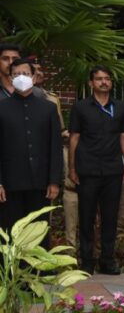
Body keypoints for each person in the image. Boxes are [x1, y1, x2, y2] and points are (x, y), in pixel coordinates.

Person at [69, 66, 124, 274]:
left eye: (107, 79)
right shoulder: (80, 107)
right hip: (87, 170)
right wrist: (72, 167)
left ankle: (107, 260)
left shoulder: (121, 107)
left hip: (113, 170)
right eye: (99, 79)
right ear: (91, 83)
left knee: (110, 218)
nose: (104, 82)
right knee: (86, 218)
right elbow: (74, 138)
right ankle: (87, 261)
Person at [0, 59, 63, 246]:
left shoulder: (49, 109)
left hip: (41, 183)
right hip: (10, 183)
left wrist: (54, 180)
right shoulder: (1, 108)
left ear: (34, 78)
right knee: (10, 231)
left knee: (39, 232)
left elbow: (55, 147)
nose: (22, 78)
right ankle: (11, 274)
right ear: (10, 78)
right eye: (16, 74)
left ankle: (39, 274)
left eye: (26, 74)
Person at [30, 61, 78, 247]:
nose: (41, 73)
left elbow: (58, 129)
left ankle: (65, 248)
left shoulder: (52, 98)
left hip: (51, 154)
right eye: (37, 70)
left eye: (42, 69)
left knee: (54, 201)